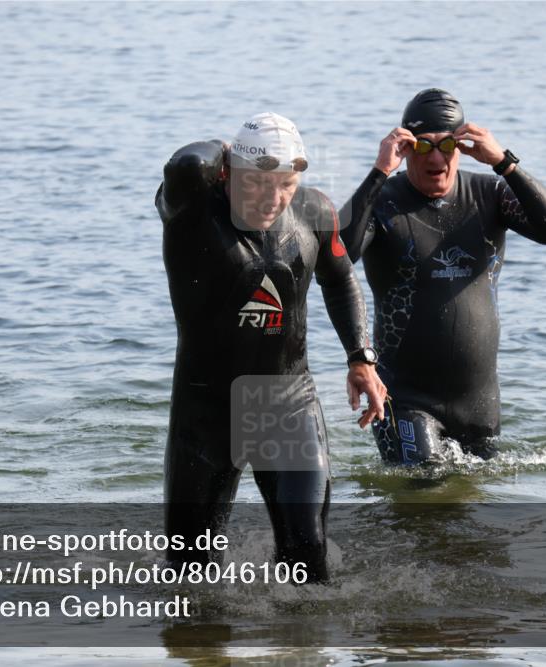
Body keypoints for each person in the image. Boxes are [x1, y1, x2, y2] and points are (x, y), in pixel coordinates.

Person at [155, 112, 387, 582]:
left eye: (285, 184)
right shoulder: (191, 211)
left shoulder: (314, 211)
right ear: (226, 173)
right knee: (190, 575)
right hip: (205, 413)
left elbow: (341, 280)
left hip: (288, 403)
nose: (273, 198)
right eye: (257, 182)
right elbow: (185, 163)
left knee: (309, 556)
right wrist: (225, 149)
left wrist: (360, 357)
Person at [339, 89, 546, 465]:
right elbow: (339, 255)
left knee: (475, 499)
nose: (435, 158)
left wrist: (504, 163)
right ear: (405, 148)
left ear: (462, 146)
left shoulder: (490, 194)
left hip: (478, 403)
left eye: (446, 145)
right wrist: (380, 172)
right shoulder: (382, 203)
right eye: (423, 146)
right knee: (425, 489)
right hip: (404, 398)